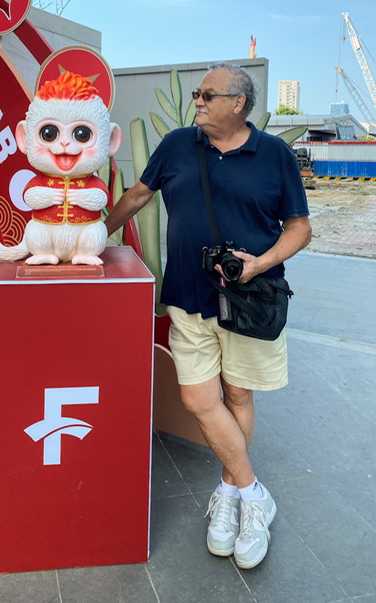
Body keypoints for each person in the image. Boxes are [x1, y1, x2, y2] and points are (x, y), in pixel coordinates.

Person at [104, 62, 312, 569]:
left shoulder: (274, 154)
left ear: (238, 103)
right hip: (187, 293)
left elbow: (300, 227)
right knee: (199, 398)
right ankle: (254, 493)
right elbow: (137, 195)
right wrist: (91, 236)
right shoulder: (178, 144)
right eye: (196, 93)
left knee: (237, 393)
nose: (197, 100)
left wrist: (259, 263)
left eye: (207, 94)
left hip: (248, 300)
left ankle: (229, 496)